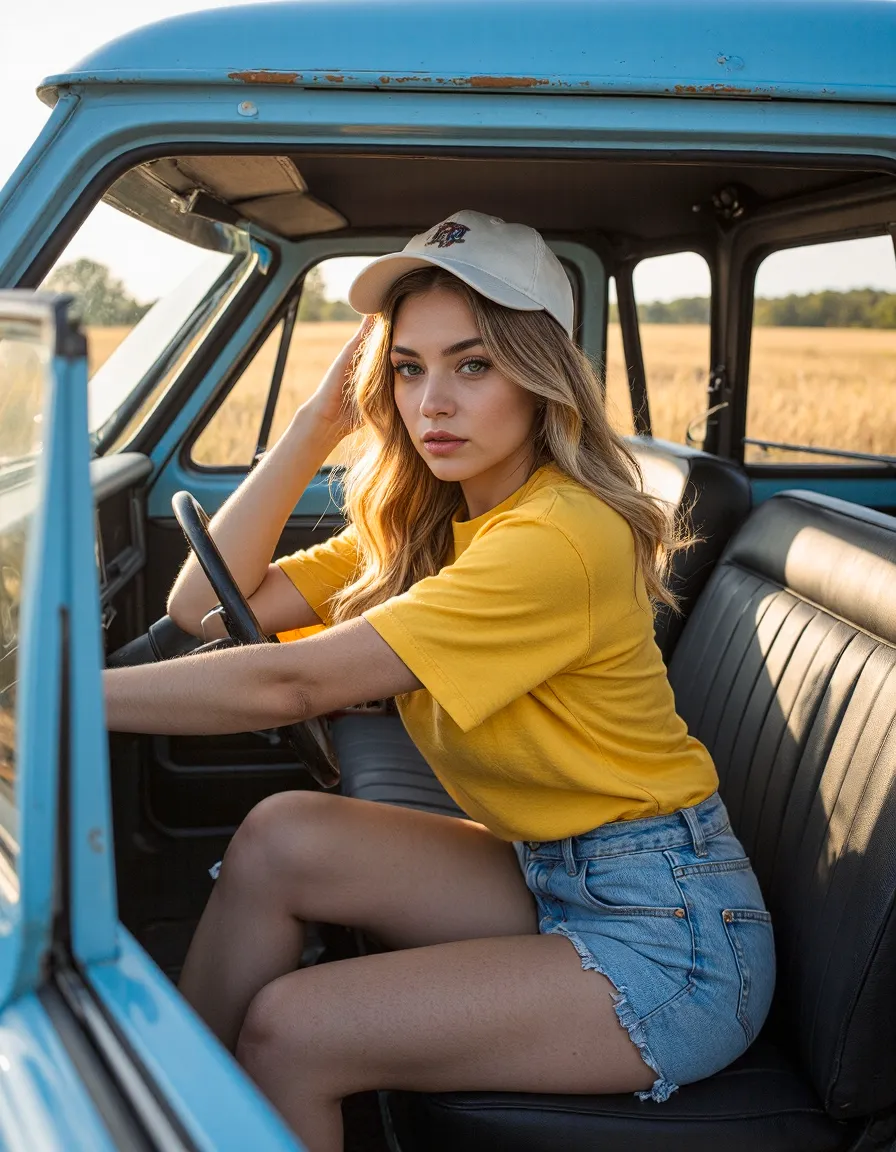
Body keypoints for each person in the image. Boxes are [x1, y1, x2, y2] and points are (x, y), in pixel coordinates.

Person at [104, 210, 776, 1152]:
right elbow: (200, 603)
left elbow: (292, 687)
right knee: (281, 836)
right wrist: (313, 424)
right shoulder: (431, 524)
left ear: (541, 377)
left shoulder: (558, 535)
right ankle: (155, 1120)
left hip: (671, 939)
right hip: (549, 865)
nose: (433, 404)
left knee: (294, 1030)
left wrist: (50, 699)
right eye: (408, 368)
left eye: (473, 364)